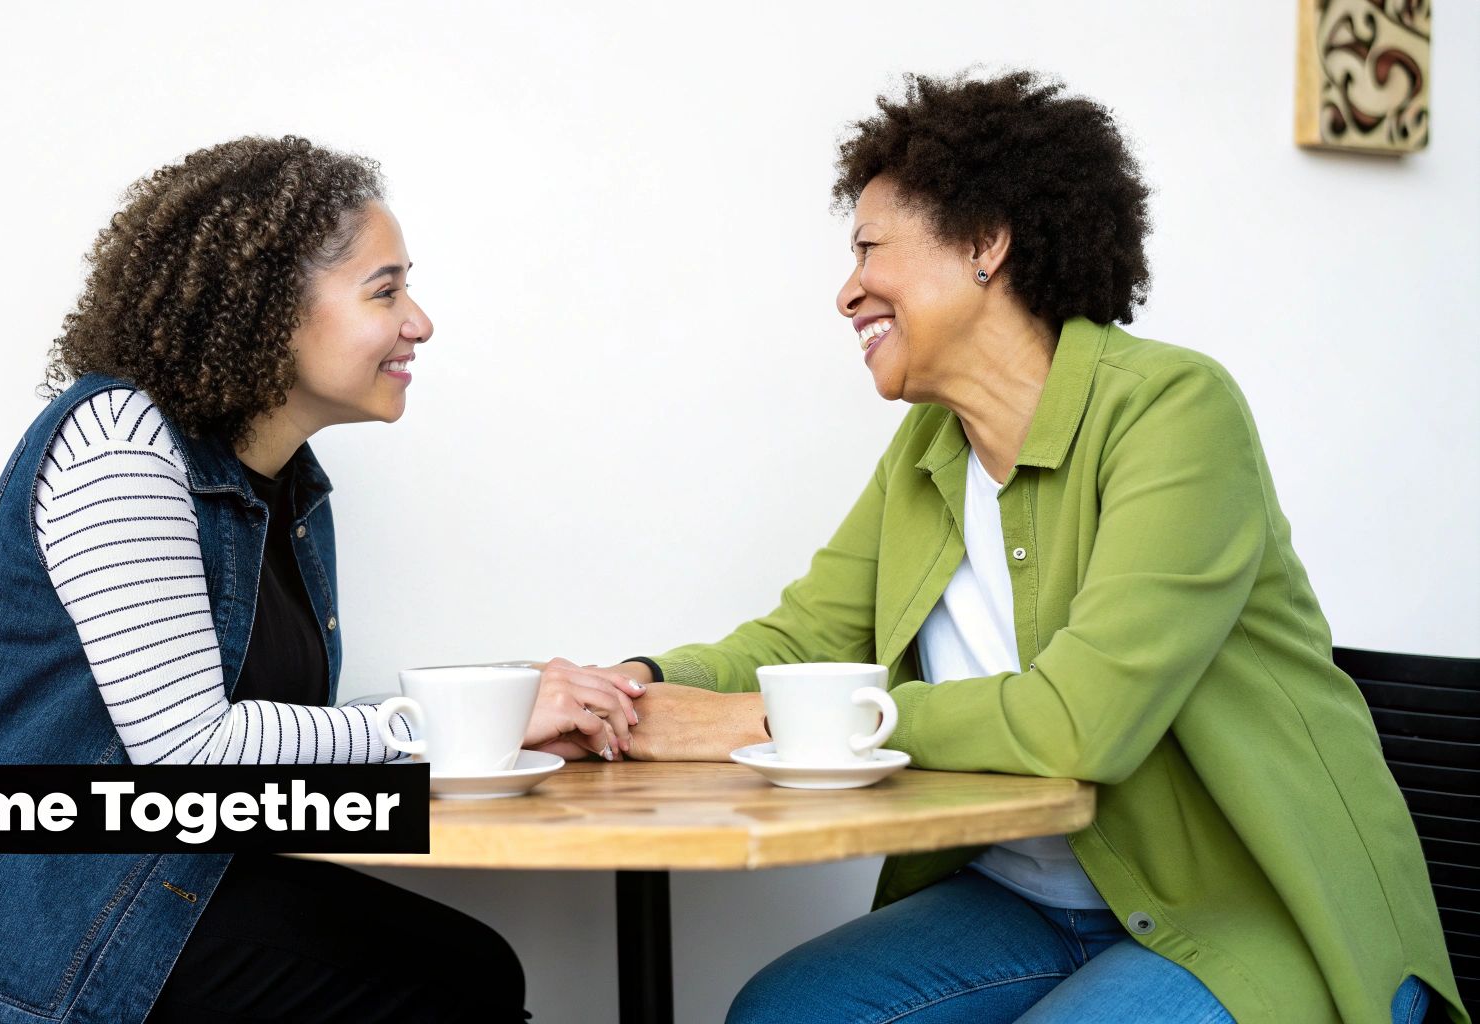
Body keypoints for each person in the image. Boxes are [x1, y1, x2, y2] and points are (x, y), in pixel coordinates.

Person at [542, 71, 1466, 1024]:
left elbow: (1082, 721)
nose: (846, 291)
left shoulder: (1174, 412)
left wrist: (756, 724)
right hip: (1027, 904)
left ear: (985, 243)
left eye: (868, 248)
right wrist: (629, 690)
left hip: (1250, 913)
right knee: (784, 1013)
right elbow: (803, 637)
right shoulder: (929, 448)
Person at [0, 136, 642, 1024]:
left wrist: (490, 719)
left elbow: (261, 755)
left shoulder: (281, 485)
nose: (420, 322)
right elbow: (191, 756)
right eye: (385, 291)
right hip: (22, 934)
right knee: (459, 981)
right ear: (269, 307)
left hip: (137, 885)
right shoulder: (120, 445)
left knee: (469, 967)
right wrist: (447, 727)